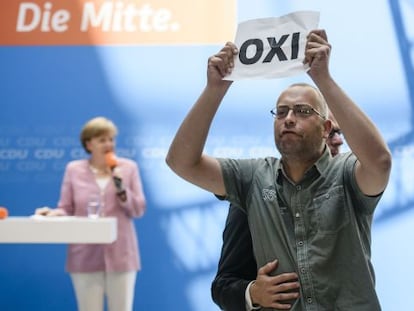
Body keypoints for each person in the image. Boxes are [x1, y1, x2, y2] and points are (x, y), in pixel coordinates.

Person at [166, 29, 391, 311]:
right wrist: (215, 89)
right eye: (281, 111)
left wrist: (323, 77)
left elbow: (380, 161)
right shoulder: (252, 177)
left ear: (325, 129)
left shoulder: (347, 174)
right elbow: (181, 162)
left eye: (302, 111)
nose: (289, 119)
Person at [211, 112, 345, 311]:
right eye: (330, 131)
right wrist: (253, 293)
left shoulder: (350, 189)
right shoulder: (256, 191)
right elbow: (222, 286)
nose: (339, 140)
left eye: (339, 132)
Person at [35, 116, 146, 311]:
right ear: (89, 144)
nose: (108, 144)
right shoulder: (74, 170)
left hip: (121, 254)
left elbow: (138, 209)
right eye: (102, 139)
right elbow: (66, 208)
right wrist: (52, 214)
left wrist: (121, 188)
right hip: (84, 256)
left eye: (111, 139)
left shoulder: (128, 169)